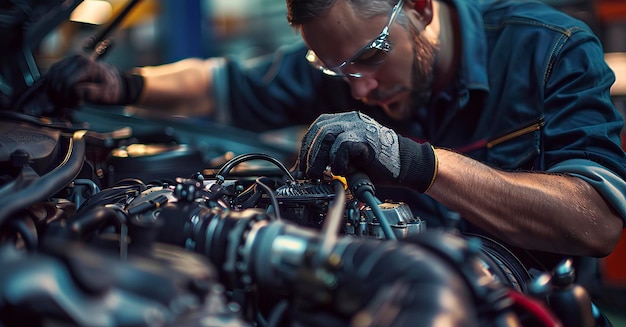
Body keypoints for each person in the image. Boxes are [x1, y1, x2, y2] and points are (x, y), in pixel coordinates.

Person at [23, 0, 626, 274]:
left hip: (534, 308)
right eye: (337, 72)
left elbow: (598, 222)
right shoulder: (346, 64)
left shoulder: (550, 48)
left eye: (370, 59)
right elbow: (223, 84)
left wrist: (419, 163)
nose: (359, 90)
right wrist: (123, 84)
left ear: (417, 7)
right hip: (393, 274)